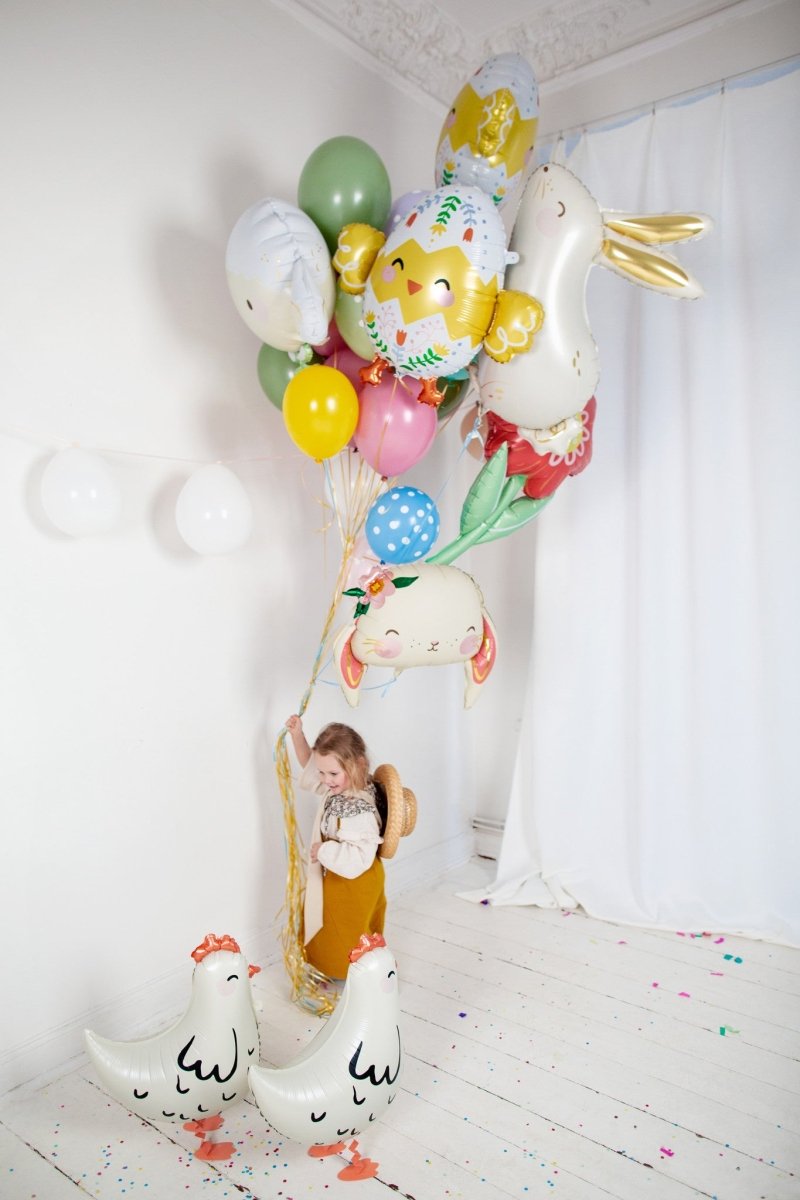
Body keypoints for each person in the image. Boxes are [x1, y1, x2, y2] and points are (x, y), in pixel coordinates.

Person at [285, 716, 386, 980]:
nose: (325, 780)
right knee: (327, 923)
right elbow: (310, 765)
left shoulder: (359, 809)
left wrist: (324, 851)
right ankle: (327, 967)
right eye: (323, 772)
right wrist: (298, 736)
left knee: (347, 930)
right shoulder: (340, 787)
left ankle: (355, 972)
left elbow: (359, 858)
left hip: (355, 880)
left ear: (357, 766)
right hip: (337, 874)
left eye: (332, 774)